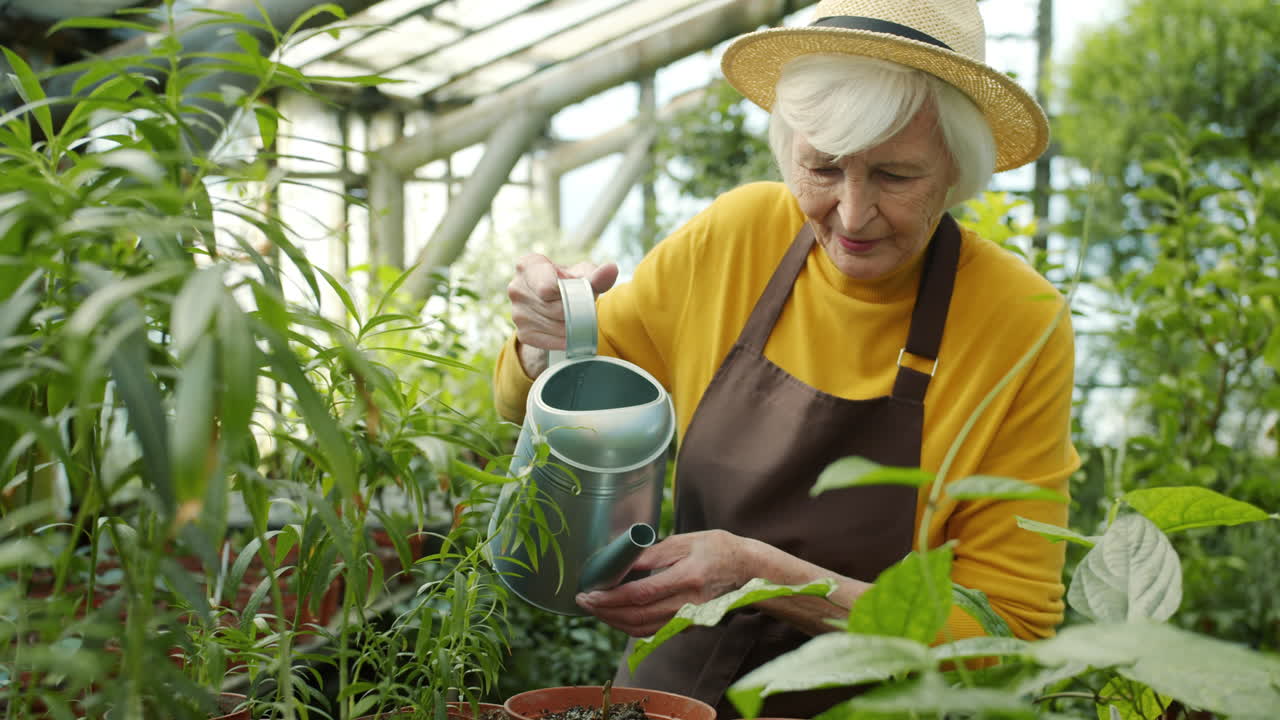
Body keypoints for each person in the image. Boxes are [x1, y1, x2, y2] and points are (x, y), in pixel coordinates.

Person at [493, 0, 1078, 716]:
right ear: (788, 147)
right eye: (824, 168)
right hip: (669, 696)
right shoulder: (737, 237)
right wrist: (542, 338)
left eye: (895, 177)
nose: (853, 214)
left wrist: (759, 574)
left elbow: (1003, 632)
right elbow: (552, 403)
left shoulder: (1017, 322)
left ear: (956, 169)